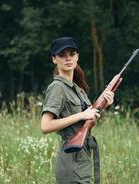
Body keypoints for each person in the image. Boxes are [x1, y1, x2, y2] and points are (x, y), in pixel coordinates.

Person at [41, 37, 114, 184]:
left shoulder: (78, 90)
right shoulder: (57, 88)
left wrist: (103, 106)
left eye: (72, 54)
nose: (68, 58)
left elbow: (85, 125)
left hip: (83, 156)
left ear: (77, 57)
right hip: (71, 159)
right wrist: (81, 114)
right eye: (62, 55)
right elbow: (46, 126)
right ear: (54, 59)